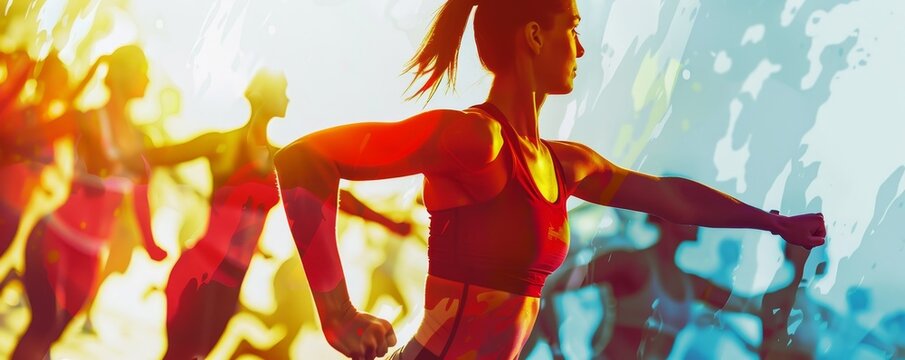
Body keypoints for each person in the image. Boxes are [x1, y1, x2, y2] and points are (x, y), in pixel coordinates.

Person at [273, 0, 827, 358]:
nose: (581, 48)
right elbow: (304, 160)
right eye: (574, 28)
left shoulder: (566, 165)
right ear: (535, 36)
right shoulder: (477, 141)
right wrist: (337, 314)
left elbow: (668, 196)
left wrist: (772, 222)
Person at [12, 45, 160, 359]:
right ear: (123, 75)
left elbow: (140, 198)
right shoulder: (88, 120)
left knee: (54, 333)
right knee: (43, 324)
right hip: (53, 238)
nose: (148, 79)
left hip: (89, 257)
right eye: (143, 71)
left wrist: (151, 244)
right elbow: (28, 138)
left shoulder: (140, 141)